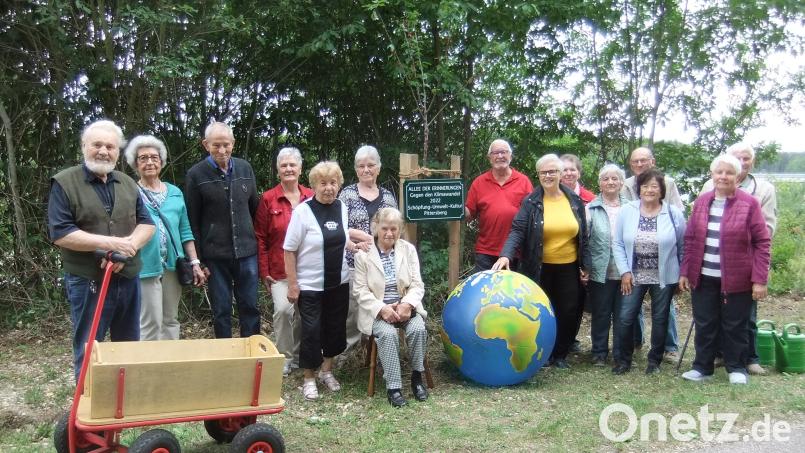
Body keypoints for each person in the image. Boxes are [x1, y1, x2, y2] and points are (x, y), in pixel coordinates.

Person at [47, 120, 155, 380]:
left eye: (110, 146)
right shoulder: (64, 183)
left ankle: (123, 402)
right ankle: (86, 405)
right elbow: (61, 233)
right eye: (97, 144)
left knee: (128, 345)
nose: (103, 151)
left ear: (118, 152)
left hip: (127, 278)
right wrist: (110, 245)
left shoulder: (128, 183)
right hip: (88, 281)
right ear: (84, 146)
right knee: (88, 345)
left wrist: (128, 248)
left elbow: (147, 224)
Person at [680, 154, 771, 384]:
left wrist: (759, 279)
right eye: (719, 172)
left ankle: (736, 368)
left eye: (729, 172)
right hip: (703, 276)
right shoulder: (702, 202)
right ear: (712, 175)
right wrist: (685, 271)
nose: (723, 176)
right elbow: (690, 239)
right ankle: (702, 367)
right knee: (705, 323)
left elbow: (762, 242)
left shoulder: (749, 204)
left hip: (738, 278)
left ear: (737, 176)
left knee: (735, 325)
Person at [493, 154, 589, 369]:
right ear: (538, 175)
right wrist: (505, 254)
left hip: (569, 266)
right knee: (541, 311)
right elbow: (517, 230)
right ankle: (542, 354)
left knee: (568, 311)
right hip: (539, 267)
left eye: (552, 171)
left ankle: (560, 354)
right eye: (543, 172)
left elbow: (583, 235)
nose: (548, 176)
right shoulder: (531, 202)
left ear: (560, 174)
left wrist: (586, 266)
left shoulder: (574, 200)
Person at [700, 142, 777, 375]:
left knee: (742, 319)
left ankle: (745, 361)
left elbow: (765, 235)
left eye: (746, 159)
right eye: (737, 158)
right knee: (710, 319)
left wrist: (758, 276)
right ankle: (713, 359)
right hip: (710, 269)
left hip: (743, 267)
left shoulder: (758, 193)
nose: (741, 162)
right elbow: (696, 234)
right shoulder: (706, 193)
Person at [124, 135, 206, 341]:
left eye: (154, 157)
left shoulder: (175, 192)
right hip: (144, 264)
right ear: (135, 164)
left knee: (171, 319)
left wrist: (195, 262)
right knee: (150, 321)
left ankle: (170, 367)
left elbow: (185, 231)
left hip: (173, 264)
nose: (150, 162)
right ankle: (149, 369)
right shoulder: (129, 192)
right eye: (143, 158)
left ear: (161, 161)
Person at [284, 161, 354, 401]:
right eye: (323, 183)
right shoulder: (302, 212)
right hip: (310, 285)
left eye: (333, 182)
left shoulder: (343, 208)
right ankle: (309, 378)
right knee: (311, 332)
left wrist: (357, 244)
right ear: (314, 185)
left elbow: (341, 240)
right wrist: (293, 284)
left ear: (339, 185)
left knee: (335, 329)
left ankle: (327, 371)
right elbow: (289, 250)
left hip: (339, 282)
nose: (328, 188)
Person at [185, 122, 260, 339]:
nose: (222, 150)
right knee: (221, 309)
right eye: (216, 145)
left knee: (250, 306)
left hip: (247, 253)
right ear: (206, 144)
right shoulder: (196, 174)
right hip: (215, 256)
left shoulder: (245, 168)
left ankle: (251, 354)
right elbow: (192, 220)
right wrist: (199, 261)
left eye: (226, 145)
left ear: (233, 144)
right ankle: (225, 356)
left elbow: (254, 209)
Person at [612, 169, 686, 375]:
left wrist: (682, 275)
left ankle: (654, 361)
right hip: (633, 276)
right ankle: (623, 361)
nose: (649, 190)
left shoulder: (673, 213)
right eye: (645, 186)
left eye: (654, 186)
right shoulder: (628, 211)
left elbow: (682, 246)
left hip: (664, 276)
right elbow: (617, 243)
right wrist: (624, 271)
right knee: (626, 317)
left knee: (660, 318)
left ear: (662, 189)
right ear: (639, 189)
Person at [354, 207, 429, 407]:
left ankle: (416, 377)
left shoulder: (407, 249)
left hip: (405, 307)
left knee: (418, 329)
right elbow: (360, 291)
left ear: (400, 229)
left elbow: (417, 284)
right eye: (385, 228)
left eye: (394, 229)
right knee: (387, 335)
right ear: (376, 228)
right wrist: (382, 308)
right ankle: (394, 387)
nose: (389, 233)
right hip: (378, 311)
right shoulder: (363, 254)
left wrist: (407, 304)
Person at [254, 147, 314, 376]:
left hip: (309, 269)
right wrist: (264, 270)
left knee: (304, 313)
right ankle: (284, 358)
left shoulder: (311, 196)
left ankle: (300, 356)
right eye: (283, 165)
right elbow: (260, 237)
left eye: (292, 165)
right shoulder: (268, 199)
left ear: (300, 169)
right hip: (279, 271)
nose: (288, 169)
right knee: (283, 311)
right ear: (278, 170)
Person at [338, 145, 397, 353]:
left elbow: (394, 228)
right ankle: (350, 352)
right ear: (356, 170)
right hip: (354, 260)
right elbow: (338, 225)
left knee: (381, 302)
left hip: (383, 264)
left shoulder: (388, 197)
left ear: (378, 168)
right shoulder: (346, 194)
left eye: (371, 165)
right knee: (353, 307)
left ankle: (376, 350)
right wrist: (363, 237)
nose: (366, 170)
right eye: (361, 166)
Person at [465, 139, 533, 273]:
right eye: (495, 153)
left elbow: (532, 216)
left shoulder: (523, 181)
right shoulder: (479, 182)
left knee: (512, 292)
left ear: (511, 156)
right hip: (486, 251)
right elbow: (469, 215)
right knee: (484, 292)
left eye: (504, 152)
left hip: (516, 251)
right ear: (489, 158)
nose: (500, 156)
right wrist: (453, 208)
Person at [584, 164, 628, 366]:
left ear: (621, 183)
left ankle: (620, 354)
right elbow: (585, 240)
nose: (610, 182)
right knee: (601, 313)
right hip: (600, 271)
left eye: (615, 178)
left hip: (626, 272)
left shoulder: (632, 207)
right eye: (606, 179)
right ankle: (599, 353)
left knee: (623, 315)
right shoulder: (591, 208)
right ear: (600, 184)